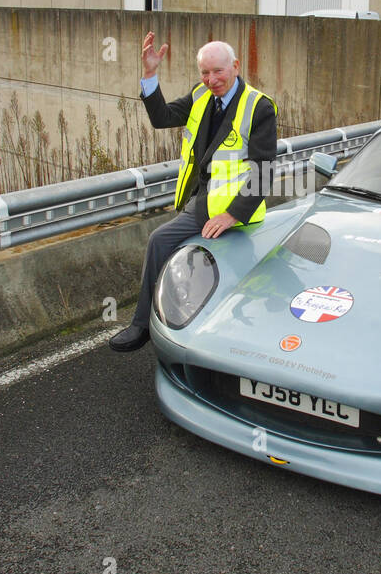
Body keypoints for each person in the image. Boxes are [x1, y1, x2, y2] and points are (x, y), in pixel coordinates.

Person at [109, 32, 277, 351]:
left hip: (231, 208)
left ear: (236, 66)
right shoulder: (201, 95)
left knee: (172, 247)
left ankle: (148, 325)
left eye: (218, 71)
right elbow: (162, 118)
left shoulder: (258, 106)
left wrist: (232, 214)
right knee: (176, 252)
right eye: (204, 72)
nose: (211, 79)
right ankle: (154, 325)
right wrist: (149, 75)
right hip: (201, 201)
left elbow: (263, 169)